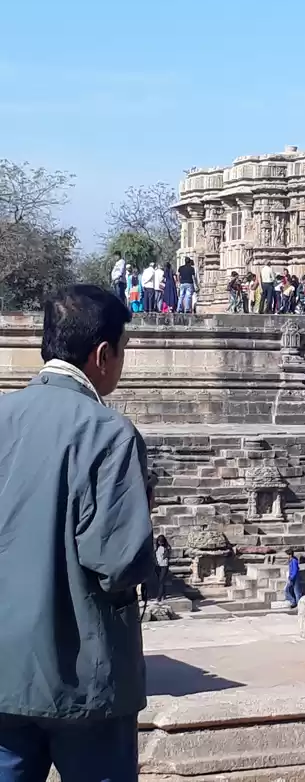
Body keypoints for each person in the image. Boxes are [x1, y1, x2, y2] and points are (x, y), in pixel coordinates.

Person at [0, 284, 155, 782]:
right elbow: (117, 561)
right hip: (85, 677)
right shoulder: (108, 433)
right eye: (123, 351)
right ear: (103, 354)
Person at [154, 534, 172, 602]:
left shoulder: (167, 548)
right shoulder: (157, 548)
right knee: (160, 581)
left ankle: (159, 597)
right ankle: (163, 594)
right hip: (158, 566)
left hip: (164, 566)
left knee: (161, 581)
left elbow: (167, 556)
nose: (160, 543)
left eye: (161, 541)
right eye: (159, 541)